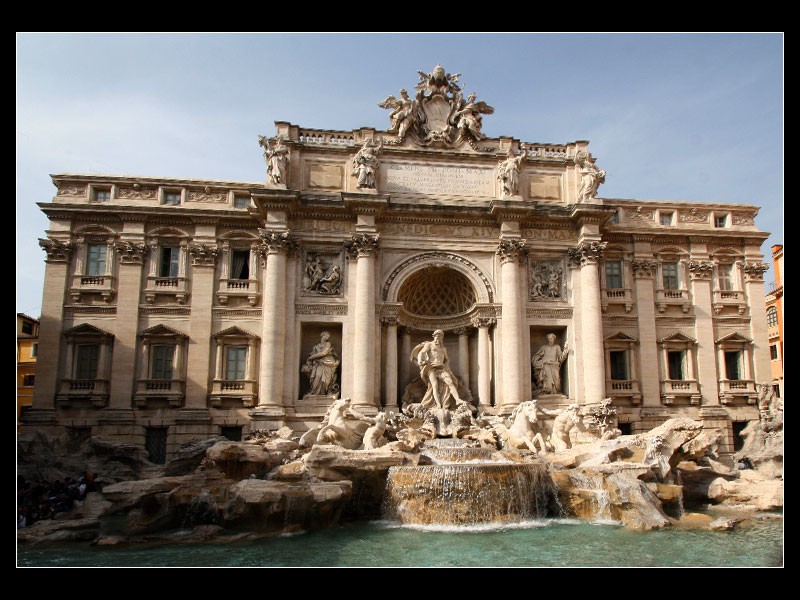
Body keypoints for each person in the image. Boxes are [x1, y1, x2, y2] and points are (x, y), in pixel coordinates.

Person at [412, 330, 463, 410]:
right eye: (436, 336)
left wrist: (447, 368)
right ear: (434, 336)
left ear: (442, 338)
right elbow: (422, 353)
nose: (438, 338)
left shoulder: (443, 349)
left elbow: (446, 359)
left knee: (450, 382)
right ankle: (438, 405)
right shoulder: (429, 345)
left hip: (441, 368)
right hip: (431, 368)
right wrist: (421, 362)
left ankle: (457, 400)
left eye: (440, 337)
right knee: (434, 386)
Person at [302, 332, 341, 396]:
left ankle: (322, 393)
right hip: (318, 364)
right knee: (317, 376)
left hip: (328, 363)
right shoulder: (316, 346)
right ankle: (314, 392)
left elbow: (324, 353)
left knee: (326, 381)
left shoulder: (328, 344)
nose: (328, 337)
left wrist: (311, 358)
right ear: (322, 336)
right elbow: (312, 354)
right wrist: (311, 358)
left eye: (328, 336)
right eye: (326, 336)